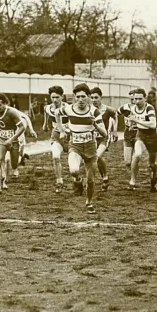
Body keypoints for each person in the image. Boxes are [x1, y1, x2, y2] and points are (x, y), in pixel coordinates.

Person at [57, 83, 107, 214]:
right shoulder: (68, 109)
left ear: (89, 97)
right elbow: (57, 114)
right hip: (75, 145)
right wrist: (61, 130)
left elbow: (105, 134)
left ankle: (89, 202)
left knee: (90, 180)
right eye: (78, 97)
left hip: (90, 147)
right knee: (74, 170)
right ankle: (78, 181)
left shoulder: (94, 112)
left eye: (83, 97)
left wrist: (95, 124)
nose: (80, 100)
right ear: (74, 97)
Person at [0, 93, 25, 196]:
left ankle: (21, 156)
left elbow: (22, 127)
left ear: (5, 104)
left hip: (13, 140)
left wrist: (11, 139)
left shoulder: (12, 112)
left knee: (14, 164)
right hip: (1, 139)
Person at [122, 88, 157, 192]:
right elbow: (133, 120)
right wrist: (131, 124)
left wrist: (137, 120)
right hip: (140, 135)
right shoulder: (133, 108)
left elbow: (153, 124)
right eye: (135, 99)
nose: (137, 101)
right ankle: (132, 181)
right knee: (137, 155)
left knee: (152, 164)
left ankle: (154, 173)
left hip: (152, 137)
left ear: (145, 98)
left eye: (139, 99)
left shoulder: (149, 108)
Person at [89, 87, 118, 191]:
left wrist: (115, 130)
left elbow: (115, 116)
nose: (94, 100)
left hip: (104, 138)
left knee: (96, 156)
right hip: (91, 139)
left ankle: (105, 177)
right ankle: (105, 177)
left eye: (96, 97)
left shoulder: (107, 109)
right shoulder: (89, 109)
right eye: (91, 98)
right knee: (96, 158)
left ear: (101, 97)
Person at [42, 86, 68, 193]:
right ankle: (59, 181)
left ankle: (77, 180)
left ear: (62, 97)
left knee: (75, 164)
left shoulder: (68, 108)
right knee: (56, 156)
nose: (55, 100)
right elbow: (45, 111)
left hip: (70, 135)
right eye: (52, 97)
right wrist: (45, 124)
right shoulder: (48, 107)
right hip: (56, 134)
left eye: (57, 97)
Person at [118, 90, 138, 168]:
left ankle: (134, 174)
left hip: (138, 132)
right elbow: (115, 115)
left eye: (135, 99)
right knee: (127, 162)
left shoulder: (143, 108)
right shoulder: (124, 107)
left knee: (136, 157)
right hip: (128, 132)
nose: (133, 101)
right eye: (131, 99)